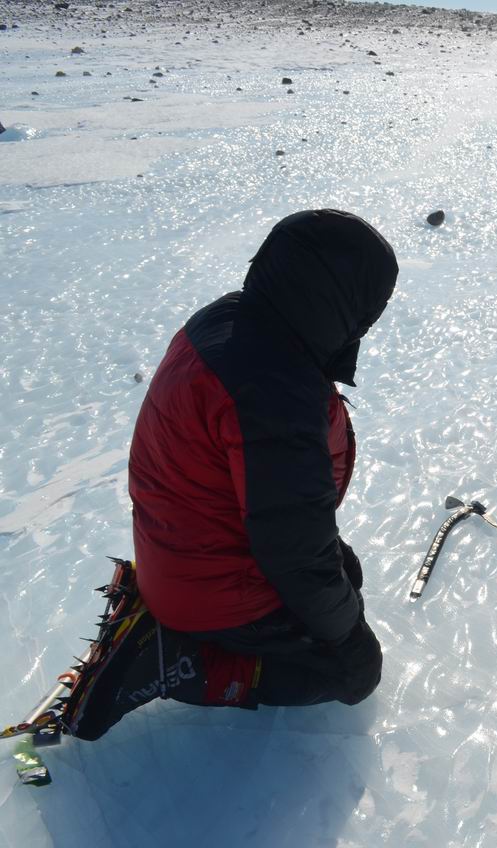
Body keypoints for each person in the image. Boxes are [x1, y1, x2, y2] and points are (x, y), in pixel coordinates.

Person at [64, 209, 398, 740]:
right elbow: (294, 551)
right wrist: (351, 641)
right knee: (351, 673)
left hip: (185, 551)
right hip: (210, 588)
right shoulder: (275, 390)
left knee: (345, 579)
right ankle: (175, 659)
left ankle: (186, 625)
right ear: (339, 301)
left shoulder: (237, 321)